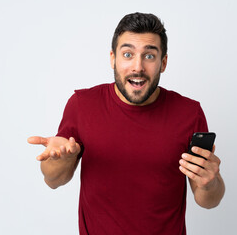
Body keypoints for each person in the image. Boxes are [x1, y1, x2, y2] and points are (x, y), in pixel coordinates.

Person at [28, 12, 225, 235]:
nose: (138, 67)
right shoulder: (82, 105)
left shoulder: (189, 113)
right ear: (113, 58)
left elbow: (208, 200)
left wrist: (211, 182)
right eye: (128, 54)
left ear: (163, 62)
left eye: (149, 56)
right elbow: (54, 180)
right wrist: (60, 160)